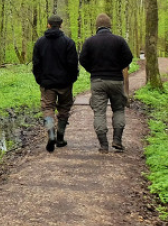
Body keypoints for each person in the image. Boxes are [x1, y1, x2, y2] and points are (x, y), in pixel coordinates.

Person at [79, 14, 134, 153]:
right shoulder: (119, 41)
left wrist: (92, 69)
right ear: (110, 26)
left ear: (96, 27)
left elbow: (82, 59)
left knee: (99, 112)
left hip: (98, 81)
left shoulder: (90, 41)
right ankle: (117, 140)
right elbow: (129, 57)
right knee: (119, 109)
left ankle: (103, 144)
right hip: (116, 80)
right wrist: (118, 67)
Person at [32, 15, 79, 152]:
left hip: (47, 84)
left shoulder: (40, 43)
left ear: (48, 25)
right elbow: (73, 64)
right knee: (64, 108)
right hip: (64, 83)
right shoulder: (68, 42)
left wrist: (40, 79)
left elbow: (36, 64)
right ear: (61, 25)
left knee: (48, 109)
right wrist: (71, 79)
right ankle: (60, 137)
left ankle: (51, 134)